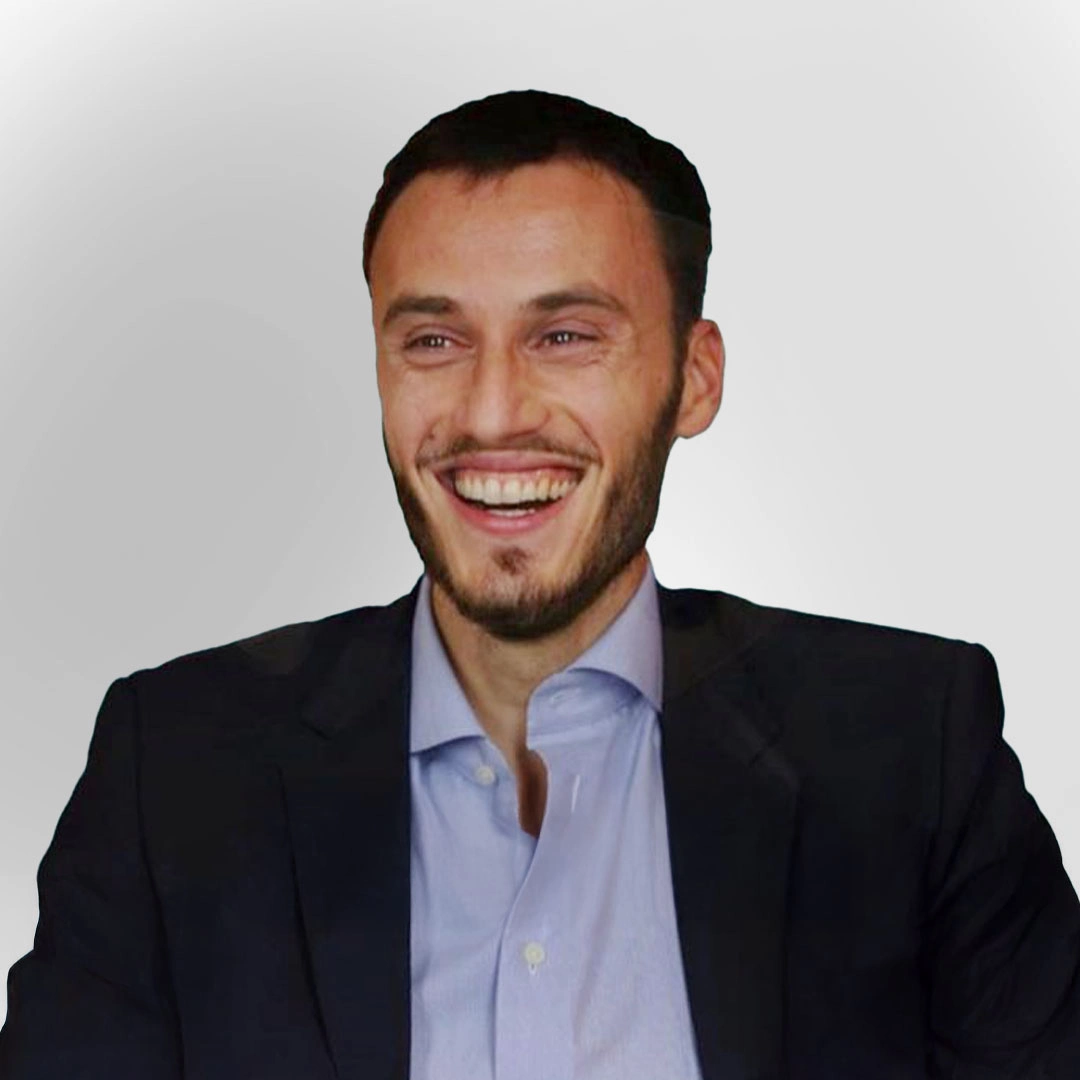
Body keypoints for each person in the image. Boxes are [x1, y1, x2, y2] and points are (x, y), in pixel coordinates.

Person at [1, 88, 1077, 1080]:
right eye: (434, 340)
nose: (491, 413)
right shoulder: (173, 773)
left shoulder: (913, 750)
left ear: (693, 379)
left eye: (564, 336)